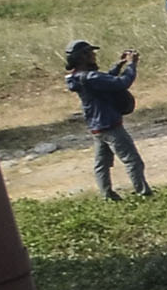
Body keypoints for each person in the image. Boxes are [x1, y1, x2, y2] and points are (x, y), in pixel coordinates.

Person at [63, 38, 149, 200]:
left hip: (97, 127)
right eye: (91, 53)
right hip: (111, 126)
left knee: (102, 165)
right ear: (83, 57)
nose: (94, 56)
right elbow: (121, 83)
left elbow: (105, 80)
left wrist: (119, 65)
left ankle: (107, 195)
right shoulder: (90, 78)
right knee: (133, 161)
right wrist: (131, 65)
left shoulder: (79, 77)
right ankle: (143, 193)